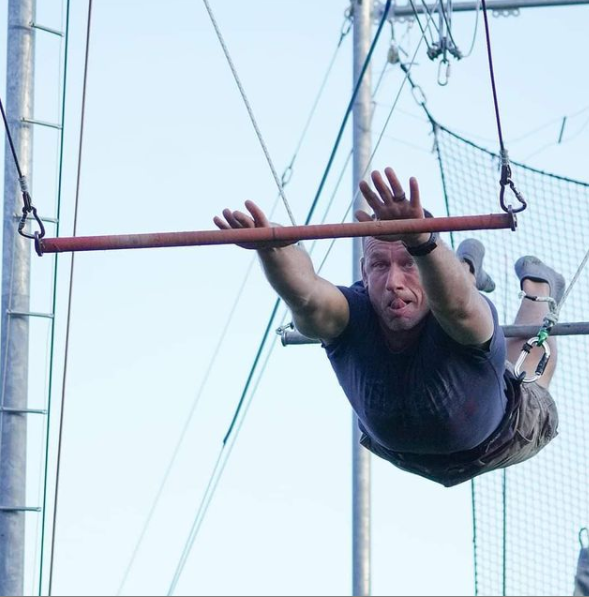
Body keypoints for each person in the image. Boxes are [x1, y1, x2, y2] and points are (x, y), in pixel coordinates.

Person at [213, 166, 563, 487]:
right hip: (397, 451)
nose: (393, 281)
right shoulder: (352, 314)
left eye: (408, 263)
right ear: (364, 272)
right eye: (380, 265)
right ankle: (466, 264)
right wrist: (271, 251)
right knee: (438, 288)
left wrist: (421, 241)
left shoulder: (461, 312)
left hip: (501, 437)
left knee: (526, 375)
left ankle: (538, 287)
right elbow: (307, 297)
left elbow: (457, 306)